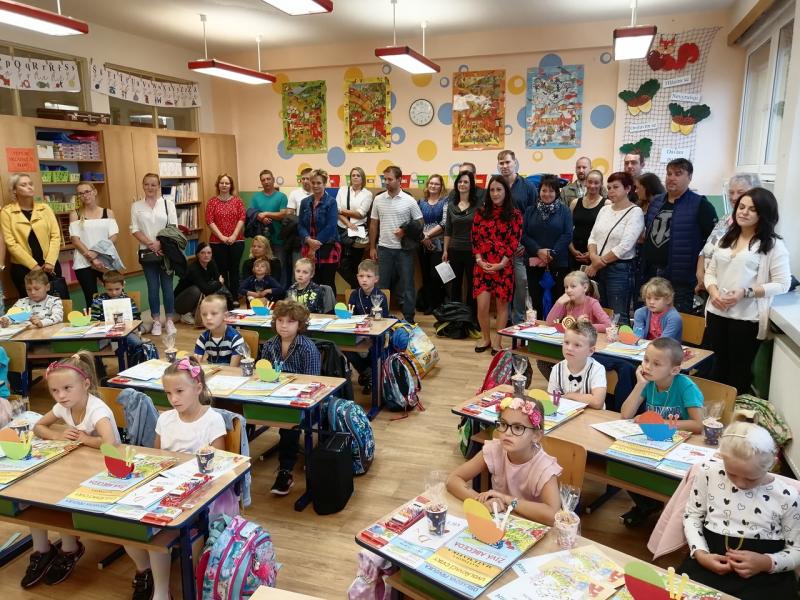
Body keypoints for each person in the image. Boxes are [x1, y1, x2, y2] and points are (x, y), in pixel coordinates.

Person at [125, 356, 226, 600]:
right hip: (166, 487)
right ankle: (149, 575)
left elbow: (218, 465)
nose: (173, 399)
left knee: (161, 529)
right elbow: (158, 456)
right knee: (129, 523)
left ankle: (167, 589)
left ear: (198, 388)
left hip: (200, 493)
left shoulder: (212, 420)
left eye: (179, 391)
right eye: (168, 393)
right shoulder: (165, 418)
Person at [22, 352, 118, 589]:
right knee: (35, 491)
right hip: (78, 466)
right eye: (55, 391)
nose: (61, 396)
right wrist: (57, 435)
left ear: (85, 384)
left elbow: (110, 444)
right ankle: (42, 550)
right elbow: (39, 427)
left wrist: (85, 439)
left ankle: (69, 548)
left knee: (59, 495)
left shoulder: (97, 410)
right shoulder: (62, 406)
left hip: (107, 471)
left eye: (66, 388)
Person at [681, 421, 800, 599]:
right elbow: (692, 516)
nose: (740, 484)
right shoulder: (708, 473)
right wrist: (700, 554)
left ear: (772, 464)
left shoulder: (787, 497)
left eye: (751, 478)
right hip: (708, 561)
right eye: (731, 473)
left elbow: (797, 549)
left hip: (764, 577)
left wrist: (766, 563)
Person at [704, 188, 790, 394]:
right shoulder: (726, 237)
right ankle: (714, 411)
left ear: (764, 214)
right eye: (741, 207)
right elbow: (711, 272)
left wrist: (746, 292)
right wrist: (714, 293)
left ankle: (734, 412)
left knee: (738, 372)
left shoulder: (773, 245)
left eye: (752, 209)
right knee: (716, 368)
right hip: (716, 312)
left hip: (746, 318)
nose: (743, 212)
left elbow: (782, 283)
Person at [620, 337, 704, 526]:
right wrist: (640, 384)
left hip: (681, 444)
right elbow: (625, 414)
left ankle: (671, 512)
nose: (647, 367)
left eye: (656, 364)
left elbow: (699, 424)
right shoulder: (649, 383)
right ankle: (648, 505)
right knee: (624, 464)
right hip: (655, 442)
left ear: (674, 370)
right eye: (646, 360)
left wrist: (662, 423)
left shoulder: (685, 386)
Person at [446, 396, 561, 525]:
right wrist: (482, 501)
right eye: (504, 424)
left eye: (518, 428)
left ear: (536, 435)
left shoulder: (544, 468)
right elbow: (453, 479)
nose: (508, 432)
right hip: (501, 523)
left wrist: (507, 500)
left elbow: (553, 515)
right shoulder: (495, 449)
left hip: (531, 527)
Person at [259, 300, 321, 495]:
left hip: (299, 401)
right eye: (280, 320)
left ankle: (285, 472)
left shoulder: (307, 348)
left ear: (300, 325)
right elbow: (263, 373)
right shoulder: (269, 345)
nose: (284, 326)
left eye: (290, 322)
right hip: (273, 396)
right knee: (241, 416)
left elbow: (313, 383)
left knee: (289, 425)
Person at [642, 158, 717, 313]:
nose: (671, 178)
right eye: (669, 173)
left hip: (681, 279)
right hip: (651, 274)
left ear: (689, 177)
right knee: (652, 320)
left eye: (678, 174)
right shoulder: (656, 202)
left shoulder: (700, 205)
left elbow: (712, 242)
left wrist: (702, 272)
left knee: (677, 321)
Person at [586, 171, 644, 325]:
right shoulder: (604, 209)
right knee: (601, 314)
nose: (611, 191)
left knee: (618, 316)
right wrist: (593, 257)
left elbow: (625, 245)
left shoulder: (635, 212)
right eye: (609, 187)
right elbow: (592, 237)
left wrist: (597, 263)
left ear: (628, 189)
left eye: (616, 187)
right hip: (598, 268)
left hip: (620, 270)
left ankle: (622, 341)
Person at [472, 175, 522, 354]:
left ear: (506, 191)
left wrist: (501, 264)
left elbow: (514, 242)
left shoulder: (515, 215)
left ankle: (497, 342)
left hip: (503, 267)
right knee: (482, 306)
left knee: (502, 307)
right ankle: (485, 338)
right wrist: (479, 260)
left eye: (499, 189)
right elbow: (475, 238)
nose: (495, 193)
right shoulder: (480, 212)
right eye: (492, 190)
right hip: (482, 266)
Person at [368, 166, 423, 323]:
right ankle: (380, 316)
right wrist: (372, 247)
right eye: (385, 179)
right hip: (384, 249)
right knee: (381, 285)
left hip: (404, 250)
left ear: (400, 180)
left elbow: (420, 222)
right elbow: (373, 224)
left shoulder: (409, 200)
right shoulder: (378, 199)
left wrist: (405, 231)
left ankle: (409, 319)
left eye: (390, 179)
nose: (387, 182)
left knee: (407, 285)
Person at [696, 172, 761, 295]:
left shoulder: (753, 225)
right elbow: (707, 248)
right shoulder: (726, 219)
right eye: (731, 192)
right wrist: (700, 274)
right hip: (708, 285)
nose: (734, 197)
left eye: (740, 192)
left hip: (730, 291)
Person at [1, 173, 62, 299]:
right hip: (23, 268)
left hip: (49, 266)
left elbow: (56, 236)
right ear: (14, 190)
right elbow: (10, 243)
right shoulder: (7, 212)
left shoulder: (45, 208)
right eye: (23, 185)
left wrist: (50, 261)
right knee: (30, 306)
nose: (29, 187)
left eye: (30, 184)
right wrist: (33, 266)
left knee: (56, 302)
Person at [130, 172, 177, 336]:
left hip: (166, 252)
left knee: (167, 287)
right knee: (152, 288)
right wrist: (151, 244)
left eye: (153, 184)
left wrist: (160, 243)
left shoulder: (168, 204)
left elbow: (173, 227)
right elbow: (134, 229)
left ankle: (169, 320)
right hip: (147, 253)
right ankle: (156, 321)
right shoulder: (136, 206)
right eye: (147, 184)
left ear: (158, 186)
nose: (150, 187)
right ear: (143, 186)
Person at [522, 174, 572, 317]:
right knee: (536, 300)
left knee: (558, 301)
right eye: (544, 190)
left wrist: (551, 253)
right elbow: (523, 235)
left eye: (551, 191)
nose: (547, 194)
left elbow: (567, 235)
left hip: (558, 263)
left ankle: (555, 330)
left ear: (557, 192)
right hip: (534, 263)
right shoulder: (530, 211)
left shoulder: (565, 211)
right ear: (539, 191)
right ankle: (537, 328)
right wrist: (538, 251)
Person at [498, 150, 537, 324]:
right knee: (502, 282)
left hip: (521, 245)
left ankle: (518, 317)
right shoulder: (496, 184)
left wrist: (525, 242)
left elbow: (534, 216)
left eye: (507, 162)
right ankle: (504, 317)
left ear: (515, 162)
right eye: (501, 163)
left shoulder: (528, 186)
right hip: (500, 245)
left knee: (521, 281)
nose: (504, 166)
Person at [68, 182, 119, 309]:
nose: (85, 195)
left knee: (115, 295)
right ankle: (96, 321)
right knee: (91, 299)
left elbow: (114, 237)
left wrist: (96, 253)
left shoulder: (108, 212)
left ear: (94, 192)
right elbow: (75, 240)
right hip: (83, 263)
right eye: (81, 193)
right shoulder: (75, 214)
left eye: (87, 191)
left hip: (106, 260)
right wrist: (93, 259)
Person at [346, 259, 389, 393]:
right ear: (357, 277)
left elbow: (385, 320)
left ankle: (370, 375)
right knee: (346, 348)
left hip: (375, 336)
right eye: (361, 276)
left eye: (368, 276)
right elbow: (350, 317)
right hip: (358, 334)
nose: (364, 279)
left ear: (376, 279)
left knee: (375, 349)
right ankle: (367, 372)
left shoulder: (380, 296)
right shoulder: (354, 295)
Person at [443, 171, 480, 314]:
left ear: (471, 185)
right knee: (455, 284)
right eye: (460, 182)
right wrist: (445, 250)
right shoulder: (451, 206)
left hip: (473, 251)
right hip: (454, 250)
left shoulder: (478, 206)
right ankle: (455, 316)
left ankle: (471, 316)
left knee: (472, 285)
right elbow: (448, 230)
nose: (462, 184)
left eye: (466, 182)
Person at [206, 173, 246, 307]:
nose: (224, 185)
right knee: (221, 270)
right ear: (218, 185)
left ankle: (234, 297)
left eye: (227, 183)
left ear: (231, 185)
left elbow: (242, 218)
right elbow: (209, 220)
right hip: (217, 242)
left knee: (234, 270)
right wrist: (221, 237)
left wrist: (234, 235)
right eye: (222, 183)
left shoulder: (237, 201)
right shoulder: (212, 202)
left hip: (237, 240)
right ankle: (225, 298)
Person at [547, 321, 607, 409]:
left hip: (592, 415)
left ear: (591, 351)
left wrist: (571, 396)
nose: (569, 348)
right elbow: (552, 400)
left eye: (577, 345)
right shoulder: (557, 369)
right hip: (566, 413)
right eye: (566, 342)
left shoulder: (597, 369)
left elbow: (597, 402)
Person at [298, 169, 340, 294]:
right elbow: (300, 225)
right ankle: (314, 306)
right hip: (308, 244)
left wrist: (314, 246)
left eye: (319, 183)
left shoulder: (331, 202)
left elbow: (331, 226)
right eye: (313, 182)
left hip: (327, 246)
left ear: (324, 184)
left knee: (327, 283)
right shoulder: (304, 202)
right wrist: (308, 240)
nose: (315, 186)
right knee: (311, 282)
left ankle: (330, 307)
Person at [336, 166, 373, 290]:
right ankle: (359, 287)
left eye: (358, 175)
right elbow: (336, 211)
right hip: (342, 229)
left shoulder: (367, 194)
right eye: (353, 175)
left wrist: (342, 210)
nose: (355, 177)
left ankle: (356, 292)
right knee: (340, 265)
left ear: (363, 178)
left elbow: (361, 214)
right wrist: (348, 223)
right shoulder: (342, 190)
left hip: (358, 232)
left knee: (355, 264)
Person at [174, 242, 229, 324]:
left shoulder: (211, 263)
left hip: (195, 298)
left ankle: (208, 312)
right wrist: (219, 283)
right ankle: (185, 314)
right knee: (196, 290)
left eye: (209, 253)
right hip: (180, 302)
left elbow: (217, 280)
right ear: (198, 255)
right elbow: (206, 289)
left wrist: (218, 283)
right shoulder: (194, 269)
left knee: (213, 285)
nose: (206, 255)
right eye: (202, 253)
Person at [250, 170, 288, 286]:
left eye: (268, 179)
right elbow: (251, 213)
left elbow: (283, 214)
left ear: (273, 179)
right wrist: (261, 218)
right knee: (261, 267)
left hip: (278, 239)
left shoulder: (281, 196)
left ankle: (281, 292)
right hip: (261, 241)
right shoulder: (256, 197)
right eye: (263, 180)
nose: (266, 182)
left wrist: (266, 214)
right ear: (261, 182)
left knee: (280, 266)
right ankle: (264, 290)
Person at [416, 174, 447, 315]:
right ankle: (428, 304)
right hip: (422, 244)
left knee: (436, 275)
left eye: (437, 184)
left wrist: (428, 235)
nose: (433, 186)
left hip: (439, 244)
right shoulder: (421, 202)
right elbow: (417, 222)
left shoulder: (445, 202)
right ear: (427, 185)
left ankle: (437, 304)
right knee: (426, 275)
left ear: (441, 187)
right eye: (431, 183)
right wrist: (424, 237)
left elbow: (444, 223)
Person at [545, 270, 611, 332]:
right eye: (566, 287)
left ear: (585, 287)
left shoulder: (593, 303)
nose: (568, 290)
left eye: (573, 286)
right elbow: (549, 323)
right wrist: (558, 303)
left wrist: (583, 326)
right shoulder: (567, 302)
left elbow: (608, 325)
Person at [568, 169, 607, 270]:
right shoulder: (575, 203)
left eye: (596, 183)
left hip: (596, 254)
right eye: (590, 182)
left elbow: (606, 234)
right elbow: (567, 229)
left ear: (601, 184)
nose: (592, 185)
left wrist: (592, 253)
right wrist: (572, 250)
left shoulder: (607, 204)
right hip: (575, 252)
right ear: (585, 182)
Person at [194, 294, 247, 366]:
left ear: (225, 316)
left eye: (214, 313)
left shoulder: (236, 338)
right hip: (213, 371)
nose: (208, 317)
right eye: (204, 314)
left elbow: (233, 368)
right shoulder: (203, 338)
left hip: (230, 372)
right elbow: (196, 364)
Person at [633, 277, 682, 342]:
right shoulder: (640, 313)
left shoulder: (674, 318)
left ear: (668, 299)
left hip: (666, 347)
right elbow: (637, 337)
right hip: (644, 346)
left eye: (657, 299)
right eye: (648, 298)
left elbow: (663, 342)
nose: (651, 302)